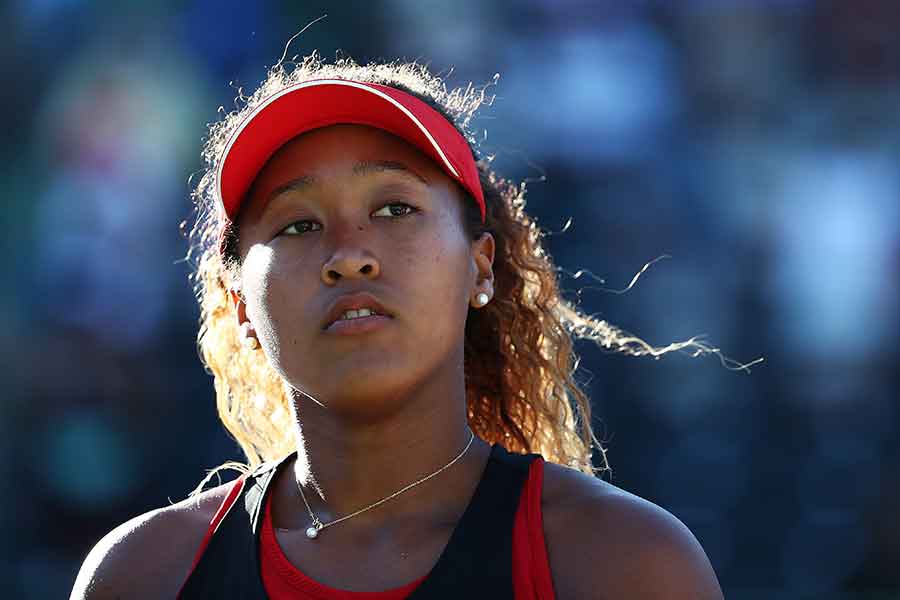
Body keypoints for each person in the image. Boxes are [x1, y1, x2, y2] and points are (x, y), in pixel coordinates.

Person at [70, 50, 728, 599]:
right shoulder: (145, 577)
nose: (348, 254)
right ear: (241, 305)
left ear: (480, 267)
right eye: (298, 224)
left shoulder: (624, 565)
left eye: (393, 209)